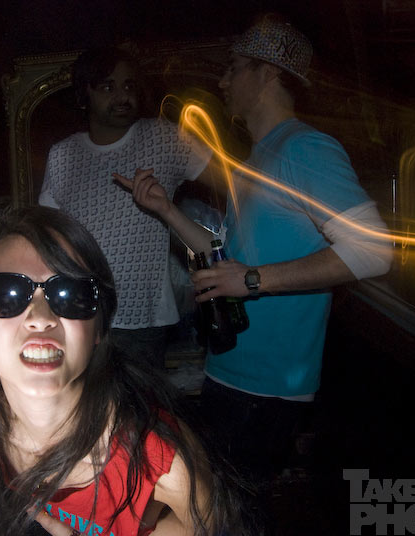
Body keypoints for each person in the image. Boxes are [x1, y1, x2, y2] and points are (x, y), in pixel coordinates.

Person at [114, 14, 393, 484]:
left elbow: (374, 250)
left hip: (267, 389)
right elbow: (223, 256)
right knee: (217, 506)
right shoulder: (257, 158)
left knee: (230, 512)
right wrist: (166, 210)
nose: (223, 81)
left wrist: (252, 280)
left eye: (234, 68)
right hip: (230, 372)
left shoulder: (307, 149)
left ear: (268, 73)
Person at [0, 204, 247, 536]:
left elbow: (212, 525)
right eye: (7, 293)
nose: (40, 318)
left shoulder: (160, 459)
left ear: (98, 328)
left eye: (70, 294)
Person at [38, 47, 212, 370]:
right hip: (81, 313)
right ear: (85, 94)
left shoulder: (163, 137)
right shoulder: (64, 155)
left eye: (129, 86)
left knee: (141, 400)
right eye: (108, 87)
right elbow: (46, 236)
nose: (122, 96)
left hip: (143, 321)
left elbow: (228, 180)